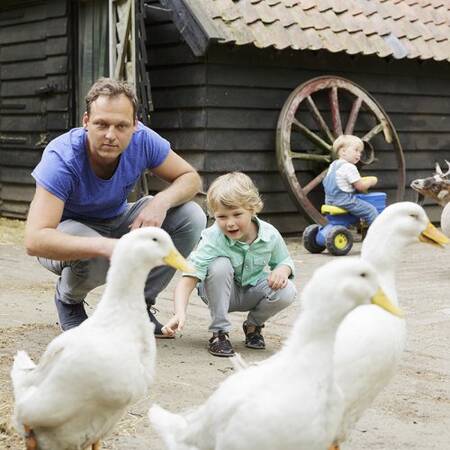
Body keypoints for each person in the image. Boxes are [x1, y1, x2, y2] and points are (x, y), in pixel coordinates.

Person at [24, 77, 206, 337]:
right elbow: (35, 239)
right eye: (101, 124)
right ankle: (69, 301)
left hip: (116, 219)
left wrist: (160, 202)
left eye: (121, 126)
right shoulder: (62, 157)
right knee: (96, 253)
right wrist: (106, 246)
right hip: (65, 234)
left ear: (135, 125)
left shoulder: (143, 140)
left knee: (190, 216)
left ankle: (137, 305)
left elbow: (190, 178)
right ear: (86, 122)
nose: (111, 135)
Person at [163, 172, 297, 357]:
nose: (230, 223)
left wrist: (282, 270)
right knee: (220, 265)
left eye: (237, 214)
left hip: (251, 291)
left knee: (287, 290)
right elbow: (188, 278)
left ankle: (253, 326)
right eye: (222, 217)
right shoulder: (213, 238)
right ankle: (219, 333)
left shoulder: (269, 234)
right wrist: (179, 312)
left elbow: (284, 260)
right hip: (218, 291)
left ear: (252, 209)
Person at [323, 134, 379, 225]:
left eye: (360, 152)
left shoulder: (333, 165)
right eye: (356, 150)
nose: (359, 154)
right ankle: (376, 234)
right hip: (344, 201)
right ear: (343, 151)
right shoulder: (350, 167)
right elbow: (360, 187)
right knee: (371, 211)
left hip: (329, 200)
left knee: (358, 205)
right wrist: (372, 181)